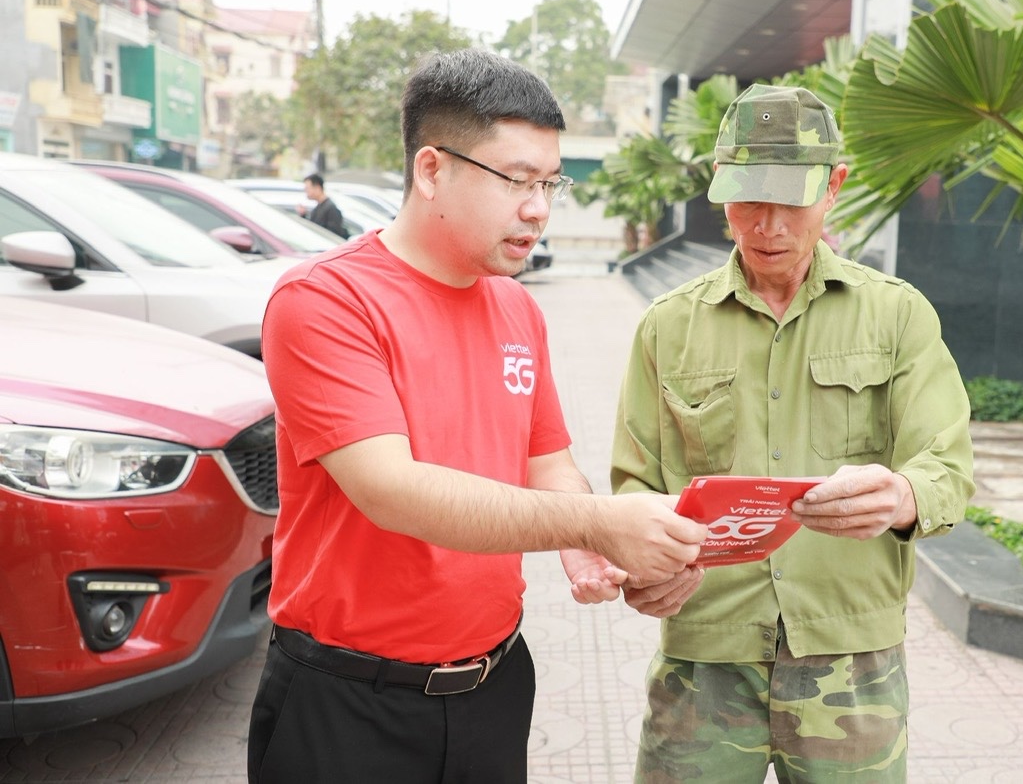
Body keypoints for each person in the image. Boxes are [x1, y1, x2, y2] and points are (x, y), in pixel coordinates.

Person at [247, 48, 706, 784]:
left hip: (494, 682)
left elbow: (547, 461)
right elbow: (392, 490)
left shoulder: (516, 305)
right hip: (348, 701)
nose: (539, 208)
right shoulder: (325, 302)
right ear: (432, 169)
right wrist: (594, 521)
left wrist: (590, 541)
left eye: (550, 182)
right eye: (517, 180)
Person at [610, 84, 976, 782]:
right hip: (705, 661)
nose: (767, 225)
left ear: (834, 186)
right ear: (721, 193)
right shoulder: (668, 325)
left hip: (851, 662)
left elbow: (947, 469)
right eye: (748, 199)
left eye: (792, 199)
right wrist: (637, 567)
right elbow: (637, 485)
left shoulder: (897, 316)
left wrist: (900, 493)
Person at [301, 172, 348, 238]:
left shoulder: (331, 209)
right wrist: (303, 216)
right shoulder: (317, 208)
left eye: (307, 188)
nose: (306, 191)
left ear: (318, 188)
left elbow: (333, 235)